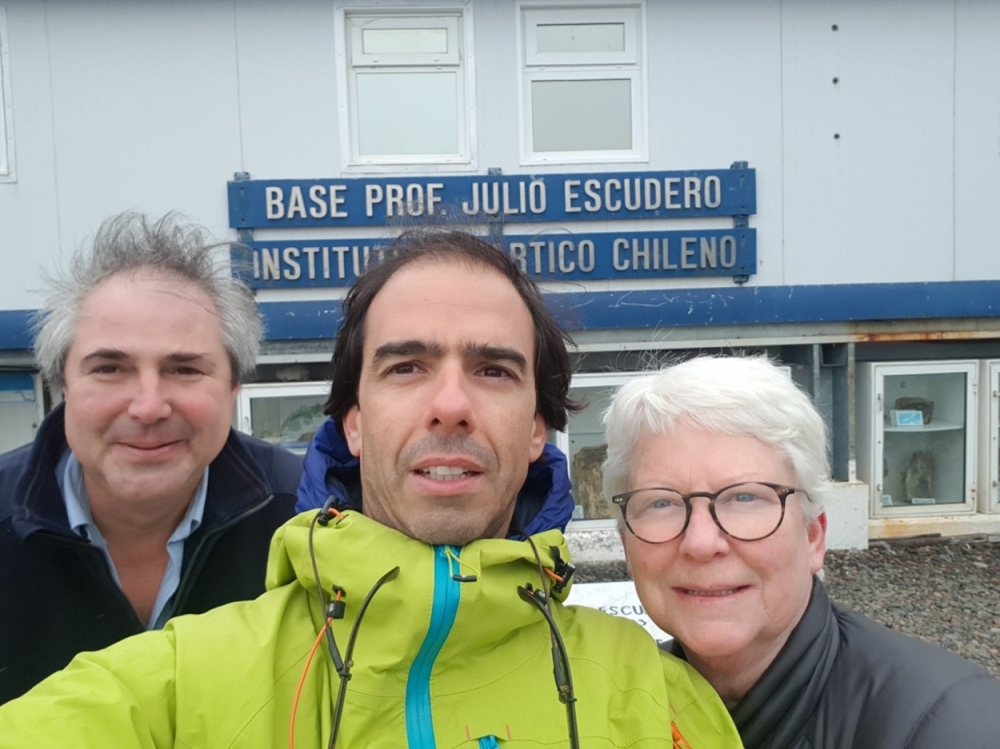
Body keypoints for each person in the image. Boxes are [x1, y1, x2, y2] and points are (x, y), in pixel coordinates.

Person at [0, 229, 741, 748]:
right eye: (405, 367)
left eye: (493, 370)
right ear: (353, 425)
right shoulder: (175, 682)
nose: (450, 404)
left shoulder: (652, 697)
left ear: (536, 432)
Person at [603, 355, 1000, 749]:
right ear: (626, 545)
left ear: (813, 536)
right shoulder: (606, 709)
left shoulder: (949, 726)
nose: (701, 543)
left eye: (745, 497)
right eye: (660, 503)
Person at [0, 212, 303, 704]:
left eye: (184, 370)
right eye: (109, 368)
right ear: (63, 387)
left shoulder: (309, 516)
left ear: (232, 390)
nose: (147, 407)